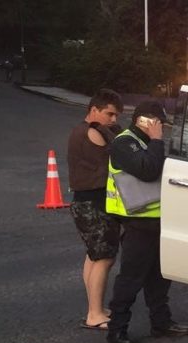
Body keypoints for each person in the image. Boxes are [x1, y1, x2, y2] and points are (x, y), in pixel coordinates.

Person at [105, 101, 188, 343]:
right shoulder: (124, 143)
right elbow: (148, 170)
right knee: (131, 279)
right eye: (159, 123)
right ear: (145, 121)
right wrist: (156, 140)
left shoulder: (146, 142)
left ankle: (161, 323)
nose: (162, 128)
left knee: (160, 277)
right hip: (137, 222)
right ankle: (117, 329)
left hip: (158, 221)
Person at [68, 89, 123, 330]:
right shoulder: (92, 132)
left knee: (93, 256)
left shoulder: (80, 130)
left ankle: (95, 307)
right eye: (109, 114)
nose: (114, 119)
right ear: (93, 110)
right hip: (95, 203)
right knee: (104, 258)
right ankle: (95, 314)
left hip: (84, 202)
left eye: (116, 115)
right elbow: (114, 159)